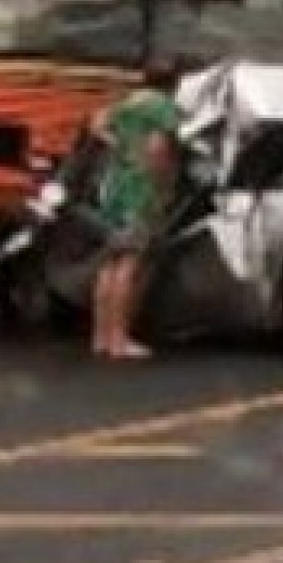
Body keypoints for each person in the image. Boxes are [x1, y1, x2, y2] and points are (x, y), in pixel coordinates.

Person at [86, 62, 183, 361]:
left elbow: (97, 124)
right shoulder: (162, 108)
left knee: (108, 264)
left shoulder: (127, 103)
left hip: (113, 188)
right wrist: (163, 187)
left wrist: (119, 148)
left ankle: (101, 336)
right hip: (138, 191)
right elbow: (158, 149)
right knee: (129, 264)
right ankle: (119, 339)